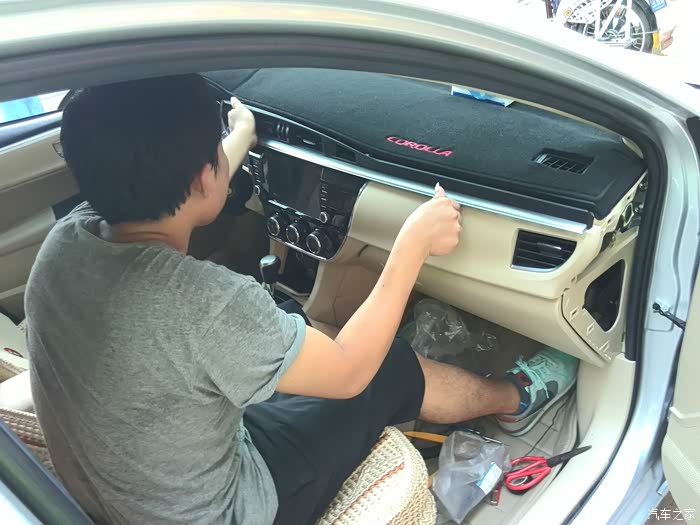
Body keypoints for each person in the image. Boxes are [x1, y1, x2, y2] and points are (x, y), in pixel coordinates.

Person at [25, 74, 578, 525]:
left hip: (125, 484)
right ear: (200, 178)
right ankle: (514, 399)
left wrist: (241, 135)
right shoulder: (203, 302)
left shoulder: (65, 244)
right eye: (215, 152)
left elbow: (192, 187)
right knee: (385, 365)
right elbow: (349, 373)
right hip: (232, 509)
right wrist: (412, 245)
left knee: (287, 319)